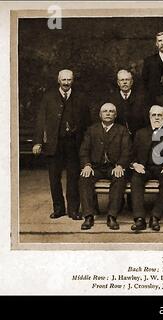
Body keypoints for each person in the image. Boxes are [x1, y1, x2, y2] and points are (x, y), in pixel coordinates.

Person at [32, 69, 90, 220]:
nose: (66, 83)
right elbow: (40, 121)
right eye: (63, 80)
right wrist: (38, 141)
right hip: (53, 144)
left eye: (69, 80)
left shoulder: (81, 98)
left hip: (73, 144)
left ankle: (73, 210)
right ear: (58, 80)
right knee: (54, 178)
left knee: (73, 177)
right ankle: (58, 209)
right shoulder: (48, 97)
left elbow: (87, 123)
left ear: (73, 81)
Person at [79, 103, 131, 230]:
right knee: (84, 179)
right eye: (105, 111)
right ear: (100, 114)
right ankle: (88, 216)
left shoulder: (122, 130)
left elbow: (127, 151)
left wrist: (120, 165)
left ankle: (112, 216)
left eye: (111, 111)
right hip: (95, 167)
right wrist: (87, 165)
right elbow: (84, 150)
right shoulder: (92, 130)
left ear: (115, 114)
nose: (108, 113)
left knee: (119, 179)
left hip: (114, 167)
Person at [130, 105, 163, 232]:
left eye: (159, 115)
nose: (156, 117)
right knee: (135, 179)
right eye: (154, 115)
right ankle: (139, 219)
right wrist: (135, 164)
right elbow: (132, 154)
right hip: (145, 168)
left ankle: (155, 217)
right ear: (149, 117)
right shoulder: (140, 133)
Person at [106, 69, 148, 138]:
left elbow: (145, 121)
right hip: (117, 138)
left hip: (137, 137)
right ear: (118, 83)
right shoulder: (111, 100)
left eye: (127, 80)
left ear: (131, 82)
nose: (125, 82)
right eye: (122, 80)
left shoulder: (141, 99)